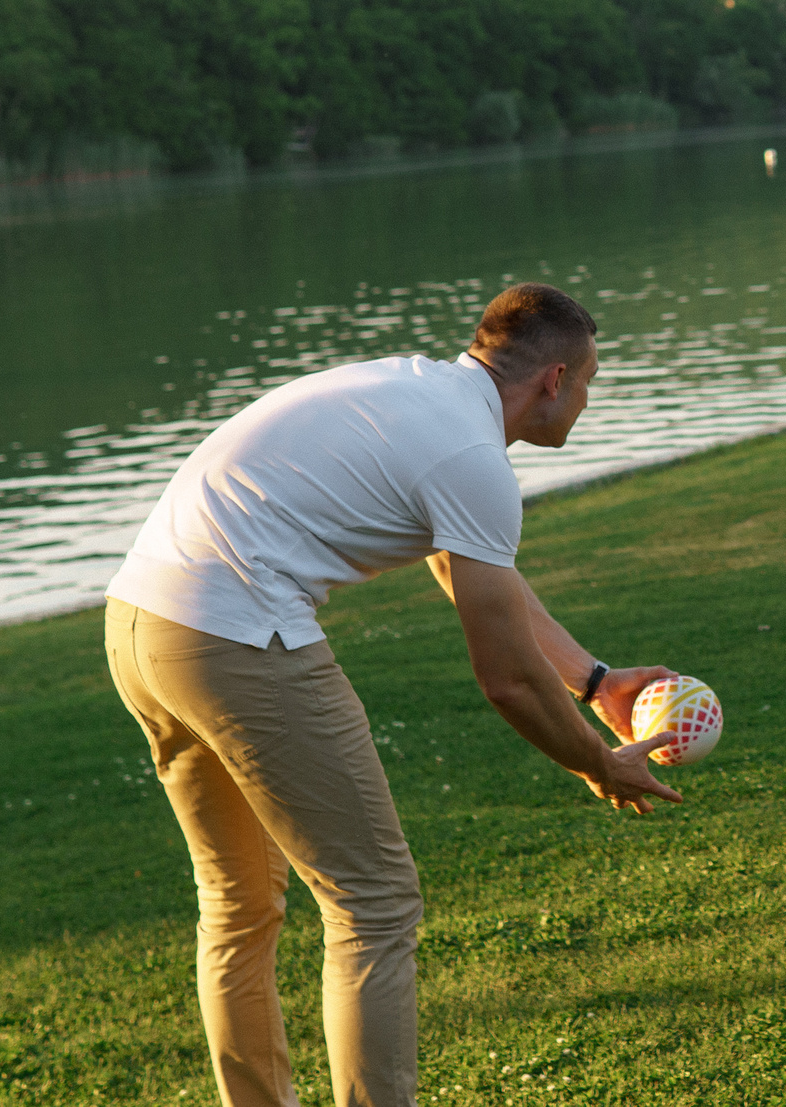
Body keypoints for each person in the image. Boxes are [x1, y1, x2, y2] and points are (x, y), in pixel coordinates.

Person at [103, 283, 681, 1107]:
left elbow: (465, 570)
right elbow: (506, 679)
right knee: (373, 904)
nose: (587, 398)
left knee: (239, 905)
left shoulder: (419, 393)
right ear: (554, 380)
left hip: (140, 625)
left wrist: (593, 680)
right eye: (589, 380)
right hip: (236, 634)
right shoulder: (473, 458)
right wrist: (598, 761)